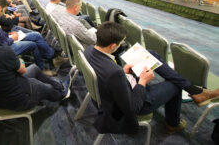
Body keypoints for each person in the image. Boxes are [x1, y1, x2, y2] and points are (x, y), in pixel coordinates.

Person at [84, 22, 219, 135]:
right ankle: (174, 123)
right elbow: (134, 108)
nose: (121, 45)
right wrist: (142, 82)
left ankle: (194, 91)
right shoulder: (115, 73)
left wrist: (126, 73)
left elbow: (111, 78)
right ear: (113, 46)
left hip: (117, 88)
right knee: (175, 85)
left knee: (150, 55)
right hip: (132, 102)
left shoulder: (89, 51)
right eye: (121, 43)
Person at [0, 11, 71, 111]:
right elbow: (22, 70)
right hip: (17, 99)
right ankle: (62, 93)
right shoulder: (3, 52)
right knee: (45, 87)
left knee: (35, 68)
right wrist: (19, 61)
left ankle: (59, 86)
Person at [0, 0, 66, 76]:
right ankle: (47, 62)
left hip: (8, 39)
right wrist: (12, 39)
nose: (3, 13)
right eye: (4, 10)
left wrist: (8, 35)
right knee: (34, 43)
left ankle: (50, 57)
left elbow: (0, 34)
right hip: (7, 46)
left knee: (36, 35)